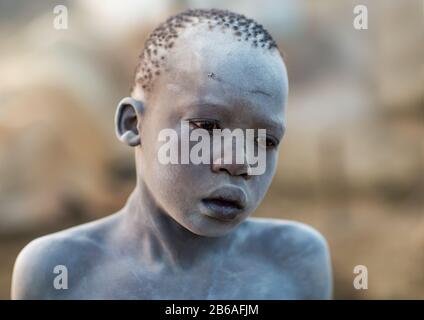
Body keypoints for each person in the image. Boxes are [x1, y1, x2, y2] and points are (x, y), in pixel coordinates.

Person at [11, 8, 332, 299]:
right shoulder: (58, 271)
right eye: (207, 126)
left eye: (266, 140)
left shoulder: (294, 261)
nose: (240, 163)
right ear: (133, 124)